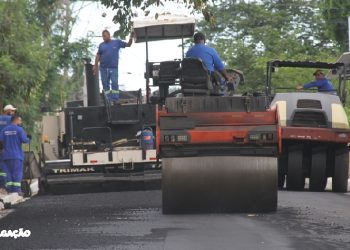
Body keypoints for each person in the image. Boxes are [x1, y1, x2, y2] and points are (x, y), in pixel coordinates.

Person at [93, 30, 135, 102]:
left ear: (109, 35)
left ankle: (115, 99)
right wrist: (95, 65)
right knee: (105, 85)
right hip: (103, 68)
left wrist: (131, 37)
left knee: (114, 82)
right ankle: (108, 101)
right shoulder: (101, 45)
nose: (104, 38)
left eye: (105, 36)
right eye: (103, 36)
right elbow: (98, 55)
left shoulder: (117, 42)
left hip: (113, 68)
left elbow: (128, 44)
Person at [0, 116, 30, 195]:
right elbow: (25, 140)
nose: (21, 122)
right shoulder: (19, 130)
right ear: (16, 120)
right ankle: (16, 190)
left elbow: (1, 141)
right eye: (20, 120)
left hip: (5, 156)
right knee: (16, 172)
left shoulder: (4, 130)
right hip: (16, 156)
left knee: (8, 173)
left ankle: (9, 189)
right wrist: (29, 138)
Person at [0, 104, 16, 194]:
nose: (13, 112)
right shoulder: (11, 120)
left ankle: (2, 186)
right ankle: (9, 187)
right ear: (8, 111)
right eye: (12, 111)